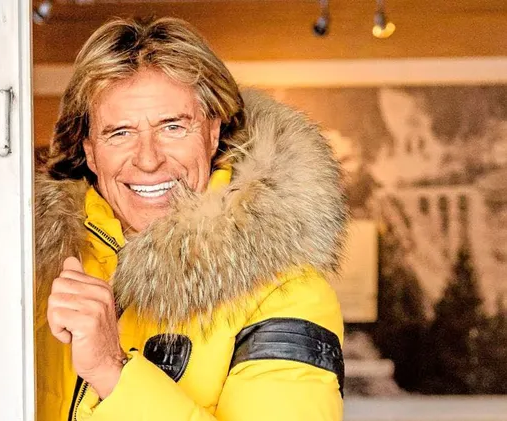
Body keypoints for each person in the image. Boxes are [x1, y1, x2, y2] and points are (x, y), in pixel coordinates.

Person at [34, 17, 348, 421]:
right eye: (120, 133)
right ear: (90, 151)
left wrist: (113, 371)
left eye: (172, 126)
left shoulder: (288, 292)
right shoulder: (30, 267)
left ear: (213, 133)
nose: (148, 159)